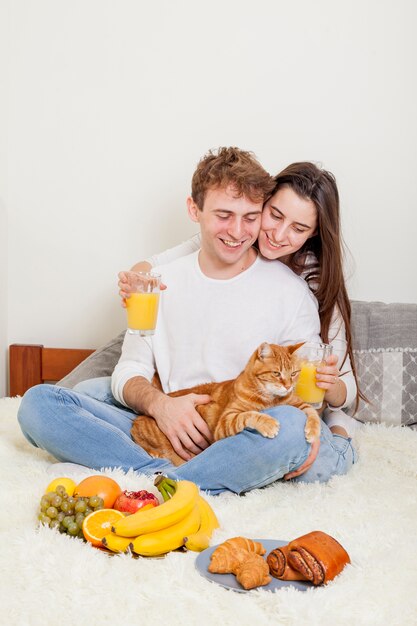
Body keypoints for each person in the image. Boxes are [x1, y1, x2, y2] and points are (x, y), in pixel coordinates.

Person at [17, 147, 356, 495]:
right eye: (224, 214)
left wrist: (314, 416)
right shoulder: (158, 283)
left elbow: (304, 392)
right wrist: (162, 406)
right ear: (194, 210)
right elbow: (130, 369)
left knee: (290, 426)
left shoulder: (294, 292)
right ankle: (183, 476)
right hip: (171, 425)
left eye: (250, 217)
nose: (238, 231)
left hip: (245, 427)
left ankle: (169, 483)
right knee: (40, 404)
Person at [117, 161, 362, 439]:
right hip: (216, 394)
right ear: (262, 205)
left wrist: (329, 387)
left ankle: (338, 443)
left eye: (298, 228)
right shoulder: (233, 236)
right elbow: (155, 265)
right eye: (275, 215)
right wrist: (134, 283)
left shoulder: (309, 281)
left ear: (313, 232)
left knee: (306, 431)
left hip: (294, 393)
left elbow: (342, 385)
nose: (279, 235)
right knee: (95, 391)